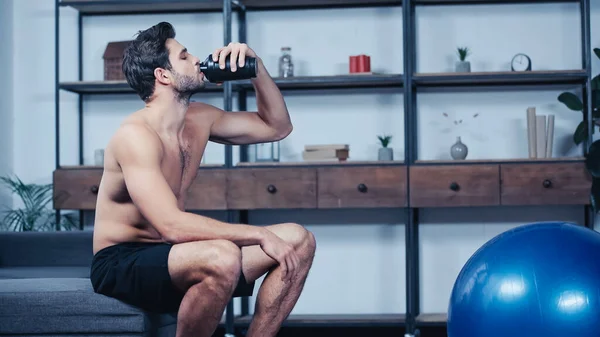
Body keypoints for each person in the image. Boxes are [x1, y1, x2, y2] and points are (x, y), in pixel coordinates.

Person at [89, 21, 316, 337]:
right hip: (123, 263)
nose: (197, 59)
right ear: (163, 75)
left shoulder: (199, 118)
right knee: (221, 254)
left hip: (176, 257)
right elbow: (171, 225)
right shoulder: (136, 136)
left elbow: (277, 128)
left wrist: (257, 68)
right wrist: (258, 235)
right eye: (184, 56)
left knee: (298, 239)